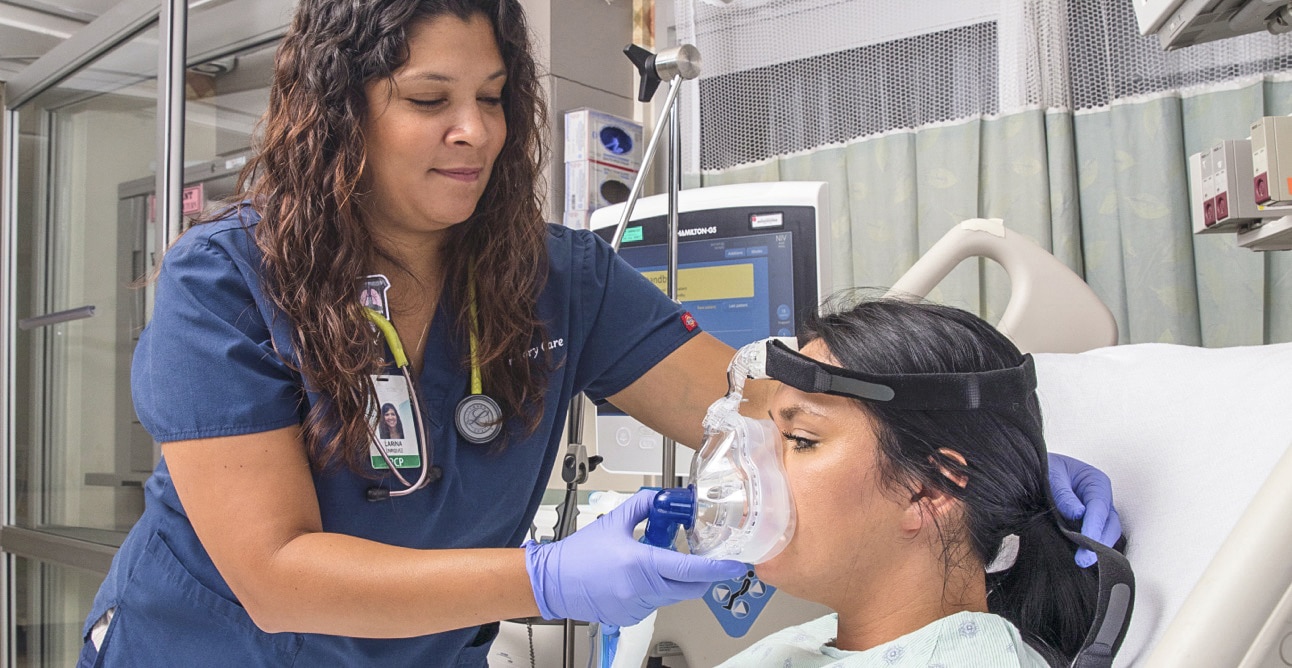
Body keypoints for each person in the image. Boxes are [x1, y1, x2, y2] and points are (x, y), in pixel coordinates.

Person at [77, 1, 1120, 665]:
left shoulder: (553, 278)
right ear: (336, 112)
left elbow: (759, 407)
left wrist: (985, 455)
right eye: (428, 99)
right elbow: (273, 571)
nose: (475, 131)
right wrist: (545, 578)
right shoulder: (226, 283)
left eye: (491, 97)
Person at [717, 297, 1127, 667]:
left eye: (801, 440)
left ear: (927, 489)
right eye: (771, 433)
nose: (753, 465)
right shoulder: (818, 644)